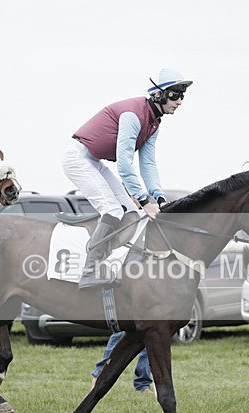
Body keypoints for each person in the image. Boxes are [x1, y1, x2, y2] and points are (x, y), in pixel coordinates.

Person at [63, 68, 192, 289]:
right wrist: (143, 200)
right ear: (158, 94)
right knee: (113, 210)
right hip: (78, 157)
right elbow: (124, 163)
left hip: (94, 160)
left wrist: (159, 197)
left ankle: (115, 262)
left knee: (132, 212)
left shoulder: (154, 122)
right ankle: (89, 272)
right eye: (175, 94)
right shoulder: (133, 115)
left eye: (182, 96)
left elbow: (148, 164)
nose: (179, 101)